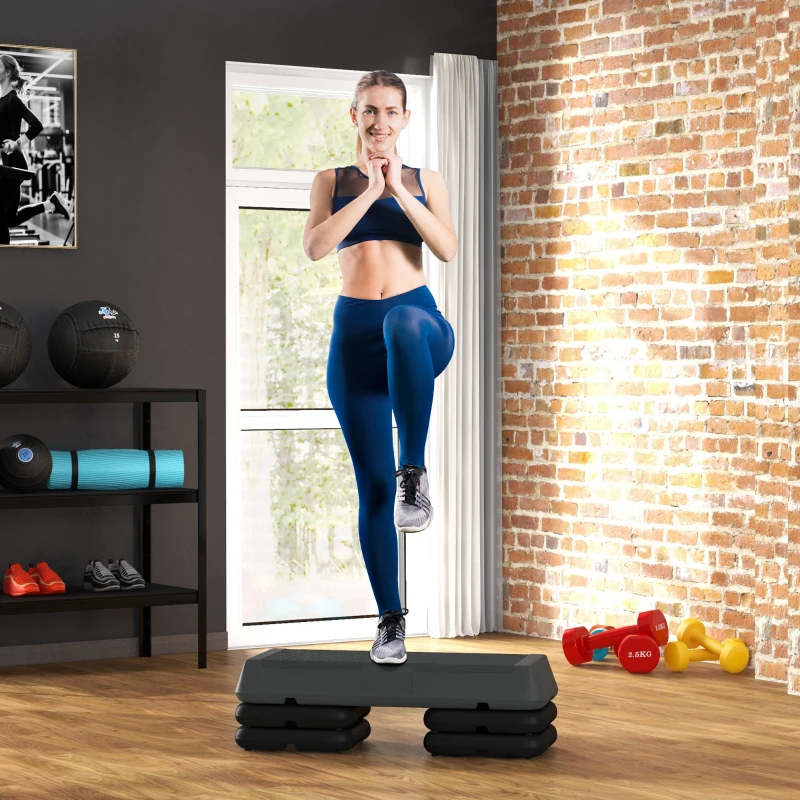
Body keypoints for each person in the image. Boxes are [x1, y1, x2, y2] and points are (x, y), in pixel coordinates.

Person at [303, 70, 457, 666]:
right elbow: (316, 248)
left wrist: (398, 193)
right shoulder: (331, 181)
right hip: (355, 343)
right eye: (369, 111)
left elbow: (445, 248)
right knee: (371, 490)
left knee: (401, 324)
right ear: (354, 116)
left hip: (418, 326)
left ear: (405, 119)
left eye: (391, 112)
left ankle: (412, 473)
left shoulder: (425, 180)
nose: (379, 123)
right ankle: (390, 623)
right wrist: (369, 192)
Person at [0, 54, 70, 246]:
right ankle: (50, 204)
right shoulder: (2, 100)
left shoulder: (13, 99)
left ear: (6, 72)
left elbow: (37, 125)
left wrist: (17, 143)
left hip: (15, 164)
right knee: (10, 219)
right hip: (7, 165)